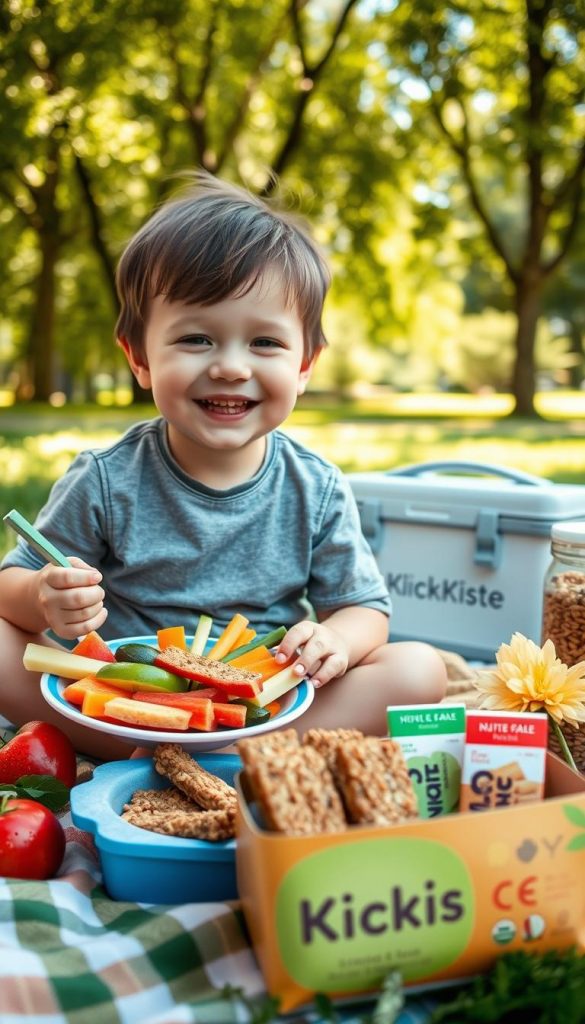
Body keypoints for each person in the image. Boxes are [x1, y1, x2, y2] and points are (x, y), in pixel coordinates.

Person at [0, 173, 447, 760]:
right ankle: (147, 750)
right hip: (120, 704)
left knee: (419, 669)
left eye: (264, 343)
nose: (232, 367)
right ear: (139, 358)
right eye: (196, 339)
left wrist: (334, 639)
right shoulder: (106, 478)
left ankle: (240, 750)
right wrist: (44, 595)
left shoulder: (314, 487)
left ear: (306, 365)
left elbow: (364, 608)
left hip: (262, 700)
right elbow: (10, 591)